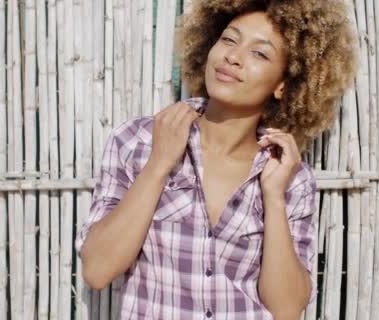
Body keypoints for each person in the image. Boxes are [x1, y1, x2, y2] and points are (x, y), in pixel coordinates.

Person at [75, 0, 357, 318]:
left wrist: (274, 198)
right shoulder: (139, 141)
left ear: (283, 84)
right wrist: (158, 165)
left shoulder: (290, 176)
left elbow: (288, 309)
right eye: (228, 39)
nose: (233, 57)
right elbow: (97, 270)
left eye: (259, 53)